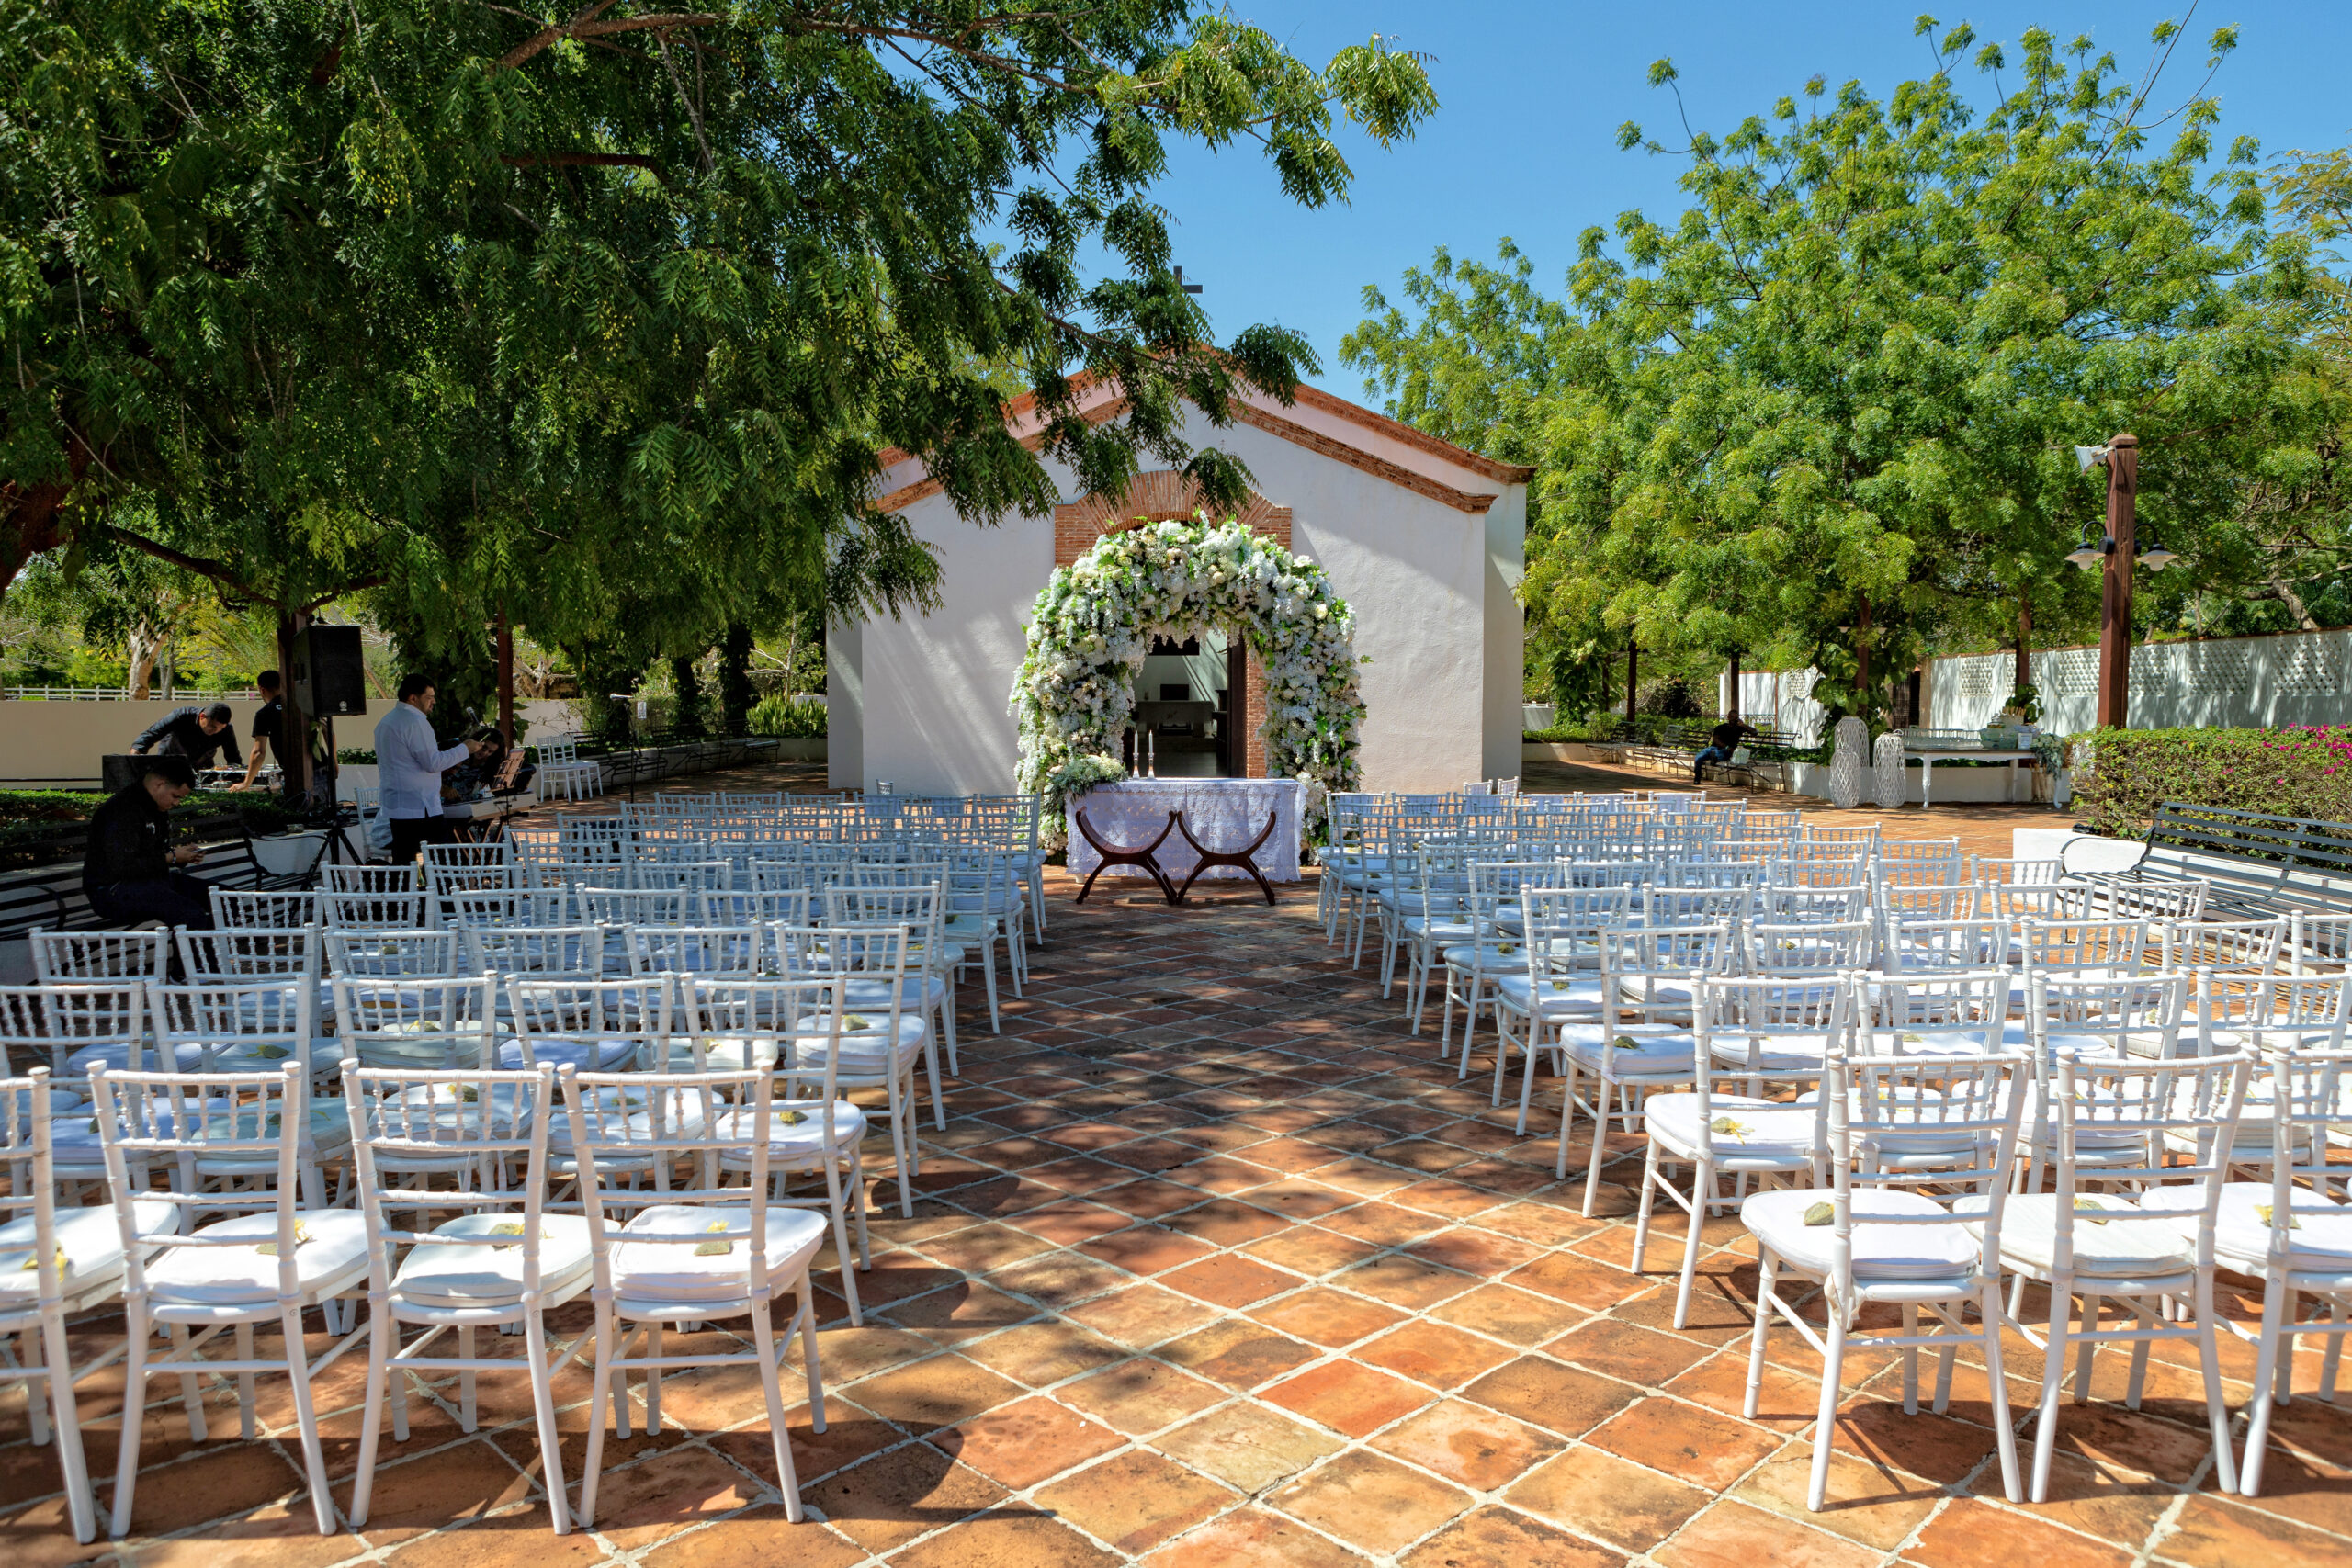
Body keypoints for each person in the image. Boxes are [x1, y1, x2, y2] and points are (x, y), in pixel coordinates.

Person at [83, 755, 216, 930]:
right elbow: (123, 866)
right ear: (159, 784)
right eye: (175, 796)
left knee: (224, 899)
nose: (176, 803)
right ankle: (197, 957)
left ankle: (215, 953)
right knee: (189, 913)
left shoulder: (156, 807)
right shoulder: (121, 810)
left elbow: (154, 852)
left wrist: (181, 856)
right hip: (113, 890)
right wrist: (171, 858)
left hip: (151, 882)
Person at [374, 673, 484, 863]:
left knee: (405, 860)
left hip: (398, 804)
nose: (433, 702)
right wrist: (465, 748)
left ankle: (407, 893)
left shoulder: (386, 721)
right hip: (419, 804)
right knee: (443, 859)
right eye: (429, 697)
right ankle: (442, 892)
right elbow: (433, 763)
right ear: (413, 698)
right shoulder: (415, 721)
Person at [131, 701, 238, 772]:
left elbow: (233, 758)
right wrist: (134, 759)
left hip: (201, 768)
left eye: (220, 728)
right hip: (169, 763)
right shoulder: (181, 716)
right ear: (202, 717)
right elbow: (151, 734)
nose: (216, 731)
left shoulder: (227, 730)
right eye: (213, 726)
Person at [231, 670, 285, 791]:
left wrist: (246, 783)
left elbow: (259, 752)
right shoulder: (300, 705)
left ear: (261, 689)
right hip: (321, 768)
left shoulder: (265, 713)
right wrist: (333, 762)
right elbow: (325, 728)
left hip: (297, 774)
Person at [1692, 716, 1757, 784]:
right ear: (1728, 717)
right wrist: (1727, 747)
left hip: (1726, 751)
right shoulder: (1721, 727)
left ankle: (1714, 758)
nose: (1733, 719)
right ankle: (1697, 777)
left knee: (1721, 754)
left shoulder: (1739, 728)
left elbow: (1755, 732)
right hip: (1713, 748)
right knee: (1699, 757)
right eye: (1731, 716)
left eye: (1735, 717)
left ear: (1737, 719)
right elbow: (1715, 739)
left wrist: (1743, 725)